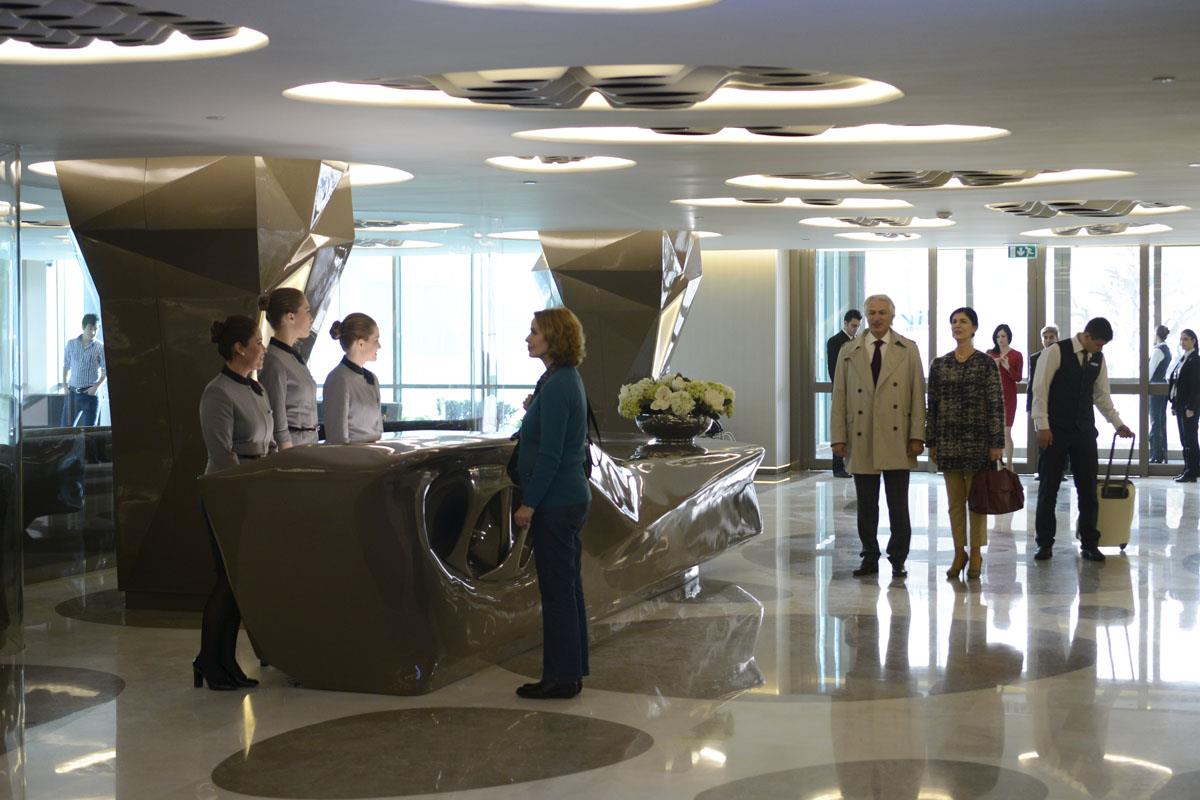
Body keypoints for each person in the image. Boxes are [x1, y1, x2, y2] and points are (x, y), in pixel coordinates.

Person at [512, 307, 591, 699]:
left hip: (557, 501)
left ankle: (560, 678)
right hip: (567, 497)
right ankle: (570, 671)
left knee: (558, 592)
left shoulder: (559, 384)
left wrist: (529, 502)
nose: (528, 339)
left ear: (554, 338)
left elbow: (551, 455)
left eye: (534, 332)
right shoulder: (559, 380)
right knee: (567, 588)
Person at [195, 315, 275, 690]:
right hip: (228, 494)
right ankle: (210, 661)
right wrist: (246, 490)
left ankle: (224, 661)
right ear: (239, 348)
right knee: (227, 580)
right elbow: (222, 455)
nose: (263, 348)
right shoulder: (218, 392)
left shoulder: (255, 389)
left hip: (254, 490)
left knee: (239, 582)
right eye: (258, 342)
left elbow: (267, 443)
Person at [831, 294, 926, 579]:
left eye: (882, 312)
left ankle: (898, 558)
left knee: (898, 504)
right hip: (861, 436)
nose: (876, 318)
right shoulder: (849, 351)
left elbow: (917, 396)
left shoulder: (908, 350)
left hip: (897, 437)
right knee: (866, 504)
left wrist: (917, 435)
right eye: (871, 313)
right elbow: (839, 396)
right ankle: (869, 556)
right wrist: (838, 436)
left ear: (892, 316)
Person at [1031, 317, 1134, 562]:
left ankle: (1089, 543)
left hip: (1084, 431)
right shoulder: (1055, 351)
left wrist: (1118, 423)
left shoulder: (1098, 358)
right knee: (1049, 489)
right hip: (1055, 430)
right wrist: (1042, 426)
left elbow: (1101, 396)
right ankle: (1044, 543)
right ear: (1086, 336)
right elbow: (1039, 390)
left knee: (1088, 490)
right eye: (1098, 344)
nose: (1100, 349)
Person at [926, 307, 1005, 580]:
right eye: (953, 322)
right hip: (948, 442)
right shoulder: (940, 364)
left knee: (977, 502)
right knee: (955, 503)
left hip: (978, 443)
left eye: (963, 321)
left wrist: (997, 443)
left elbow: (996, 404)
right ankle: (959, 551)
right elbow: (932, 405)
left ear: (974, 328)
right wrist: (931, 441)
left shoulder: (985, 363)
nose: (957, 326)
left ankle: (977, 552)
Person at [258, 288, 318, 449]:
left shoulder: (293, 358)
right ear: (290, 317)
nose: (311, 318)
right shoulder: (274, 360)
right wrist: (287, 456)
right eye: (307, 311)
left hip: (307, 445)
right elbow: (277, 418)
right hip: (292, 449)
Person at [322, 313, 383, 444]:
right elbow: (337, 438)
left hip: (374, 453)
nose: (379, 346)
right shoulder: (338, 379)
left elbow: (378, 430)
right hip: (352, 455)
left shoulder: (372, 378)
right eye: (376, 340)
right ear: (360, 344)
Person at [826, 309, 862, 479]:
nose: (855, 329)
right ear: (845, 324)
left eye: (858, 326)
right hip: (841, 390)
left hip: (855, 392)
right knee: (840, 428)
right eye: (853, 325)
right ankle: (838, 466)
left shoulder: (857, 342)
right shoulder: (835, 342)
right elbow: (834, 369)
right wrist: (841, 388)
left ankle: (849, 464)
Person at [1028, 325, 1064, 480]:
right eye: (1045, 337)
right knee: (1042, 438)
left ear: (1057, 338)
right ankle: (1042, 471)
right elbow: (1032, 384)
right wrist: (1030, 405)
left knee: (1059, 438)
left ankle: (1061, 471)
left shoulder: (1062, 356)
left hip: (1058, 404)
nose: (1048, 340)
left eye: (1051, 337)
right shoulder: (1035, 358)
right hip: (1040, 403)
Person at [60, 312, 106, 427]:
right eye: (90, 328)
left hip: (90, 395)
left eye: (96, 329)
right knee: (65, 430)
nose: (93, 332)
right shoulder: (71, 344)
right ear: (83, 327)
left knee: (89, 433)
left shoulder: (100, 347)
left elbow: (105, 371)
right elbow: (66, 365)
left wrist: (95, 387)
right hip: (72, 394)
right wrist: (64, 384)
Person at [988, 323, 1023, 470]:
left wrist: (1008, 367)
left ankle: (1009, 464)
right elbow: (986, 376)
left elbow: (1018, 378)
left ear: (1009, 337)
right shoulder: (990, 354)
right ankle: (998, 463)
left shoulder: (1016, 355)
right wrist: (995, 365)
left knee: (1007, 431)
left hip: (1009, 397)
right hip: (993, 397)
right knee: (995, 431)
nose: (1000, 339)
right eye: (998, 336)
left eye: (1003, 336)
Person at [1169, 328, 1200, 482]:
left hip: (1189, 407)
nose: (1182, 342)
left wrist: (1191, 407)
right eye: (1181, 339)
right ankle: (1188, 469)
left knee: (1190, 439)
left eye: (1186, 339)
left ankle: (1192, 472)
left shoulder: (1195, 360)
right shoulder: (1184, 358)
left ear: (1194, 341)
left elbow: (1196, 387)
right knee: (1184, 439)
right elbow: (1177, 383)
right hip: (1180, 405)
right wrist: (1174, 404)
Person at [1150, 324, 1172, 464]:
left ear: (1157, 335)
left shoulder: (1158, 350)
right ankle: (1162, 454)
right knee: (1161, 421)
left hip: (1155, 387)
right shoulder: (1167, 349)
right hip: (1162, 385)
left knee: (1155, 422)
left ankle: (1156, 455)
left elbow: (1149, 371)